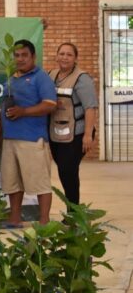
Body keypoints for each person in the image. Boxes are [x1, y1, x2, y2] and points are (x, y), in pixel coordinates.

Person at [0, 39, 57, 226]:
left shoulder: (41, 77)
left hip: (32, 139)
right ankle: (15, 217)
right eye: (17, 55)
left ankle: (44, 221)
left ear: (33, 57)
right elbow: (5, 108)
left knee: (40, 182)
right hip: (9, 139)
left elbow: (50, 104)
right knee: (12, 182)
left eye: (24, 55)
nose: (20, 59)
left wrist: (24, 111)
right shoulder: (11, 79)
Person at [48, 43, 98, 206]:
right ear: (56, 56)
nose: (64, 57)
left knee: (68, 171)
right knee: (64, 171)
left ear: (75, 58)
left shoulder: (82, 78)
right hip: (57, 133)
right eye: (61, 53)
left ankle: (74, 213)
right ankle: (73, 210)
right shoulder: (51, 75)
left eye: (69, 55)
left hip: (78, 134)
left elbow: (90, 107)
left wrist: (87, 135)